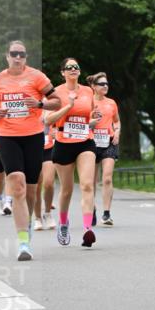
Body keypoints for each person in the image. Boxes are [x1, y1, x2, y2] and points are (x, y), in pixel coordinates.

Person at [0, 40, 60, 261]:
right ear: (6, 56)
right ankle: (23, 242)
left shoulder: (37, 77)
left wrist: (39, 105)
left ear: (25, 57)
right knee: (16, 183)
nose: (17, 57)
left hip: (33, 137)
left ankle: (26, 225)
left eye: (22, 54)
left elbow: (56, 101)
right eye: (13, 53)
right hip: (8, 137)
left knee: (30, 190)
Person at [44, 58, 100, 248]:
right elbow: (47, 119)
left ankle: (87, 230)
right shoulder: (55, 92)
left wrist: (94, 119)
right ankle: (63, 222)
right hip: (63, 143)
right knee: (67, 190)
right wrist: (67, 106)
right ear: (62, 72)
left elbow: (89, 118)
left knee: (86, 185)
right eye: (69, 67)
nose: (73, 69)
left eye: (76, 67)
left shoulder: (88, 91)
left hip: (85, 141)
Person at [88, 72, 121, 227]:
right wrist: (92, 122)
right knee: (91, 181)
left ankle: (106, 214)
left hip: (108, 142)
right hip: (91, 143)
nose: (105, 86)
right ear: (93, 87)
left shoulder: (111, 103)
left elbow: (117, 122)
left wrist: (117, 133)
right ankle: (91, 208)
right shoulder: (88, 102)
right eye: (102, 84)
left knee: (107, 178)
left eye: (107, 84)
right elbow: (84, 123)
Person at [33, 114, 56, 230]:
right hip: (33, 147)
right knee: (36, 185)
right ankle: (37, 218)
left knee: (49, 183)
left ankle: (47, 213)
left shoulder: (51, 102)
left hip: (49, 148)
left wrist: (57, 131)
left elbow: (61, 119)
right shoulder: (29, 102)